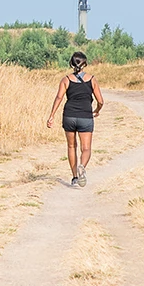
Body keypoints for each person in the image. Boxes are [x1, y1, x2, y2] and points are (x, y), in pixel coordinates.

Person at [46, 50, 102, 187]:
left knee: (71, 146)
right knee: (86, 148)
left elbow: (59, 97)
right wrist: (97, 110)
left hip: (69, 116)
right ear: (85, 64)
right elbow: (100, 101)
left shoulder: (66, 80)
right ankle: (82, 166)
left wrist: (52, 115)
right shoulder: (92, 79)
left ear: (71, 63)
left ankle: (75, 177)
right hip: (85, 117)